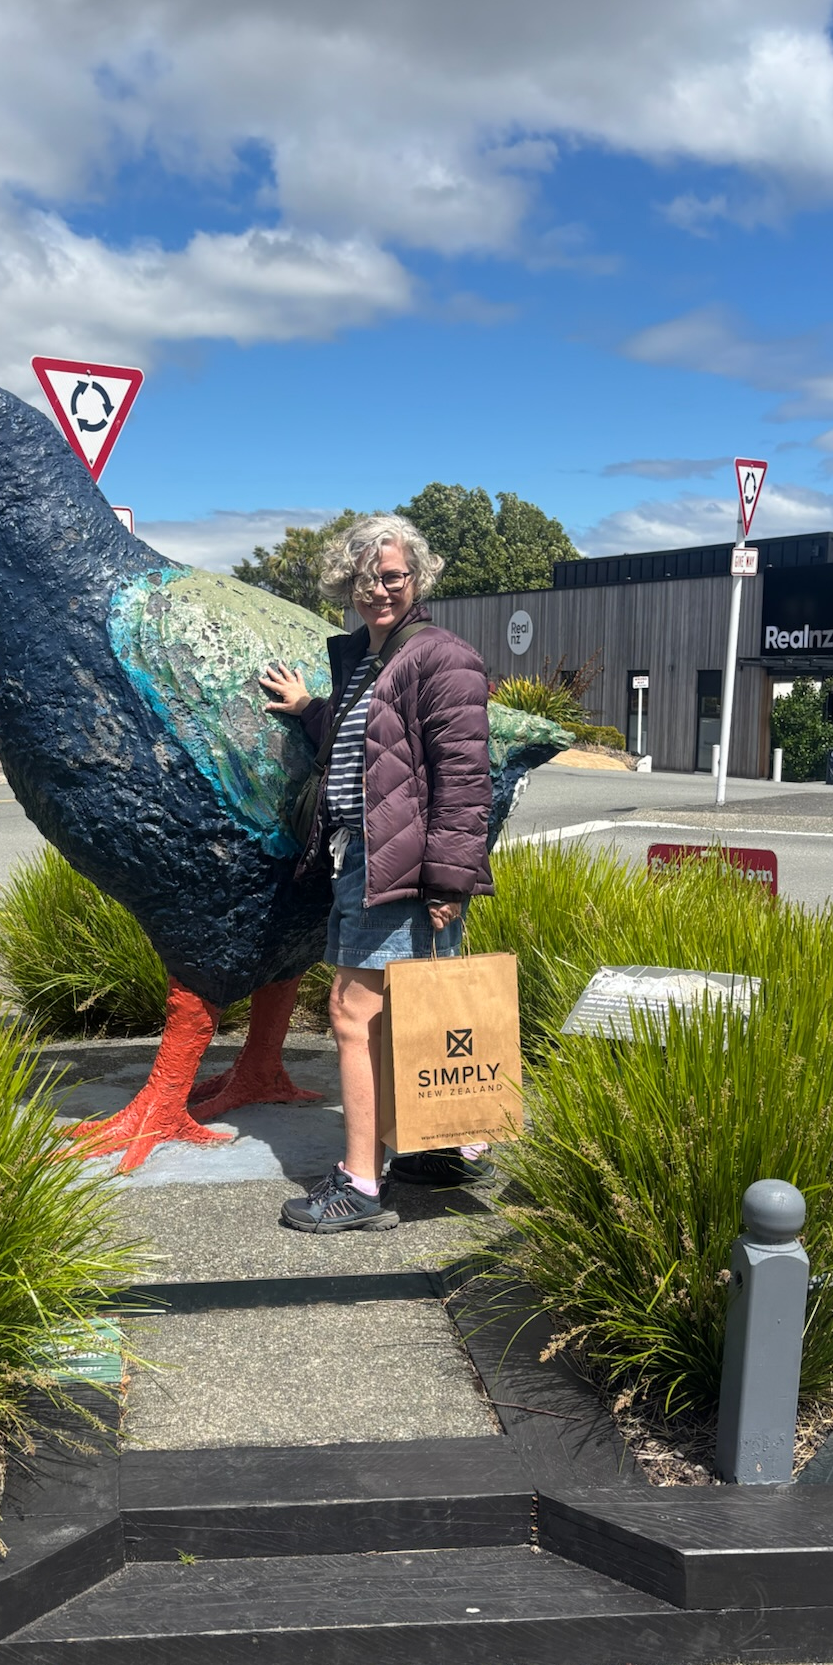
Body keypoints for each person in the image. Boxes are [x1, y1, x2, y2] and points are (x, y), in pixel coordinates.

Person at [260, 513, 494, 1231]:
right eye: (366, 579)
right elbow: (369, 738)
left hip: (404, 862)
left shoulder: (442, 658)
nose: (379, 590)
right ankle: (441, 1144)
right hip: (370, 854)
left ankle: (359, 1184)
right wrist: (308, 710)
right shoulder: (372, 657)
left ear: (416, 577)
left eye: (392, 576)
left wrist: (449, 880)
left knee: (352, 1015)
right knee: (406, 1016)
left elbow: (464, 778)